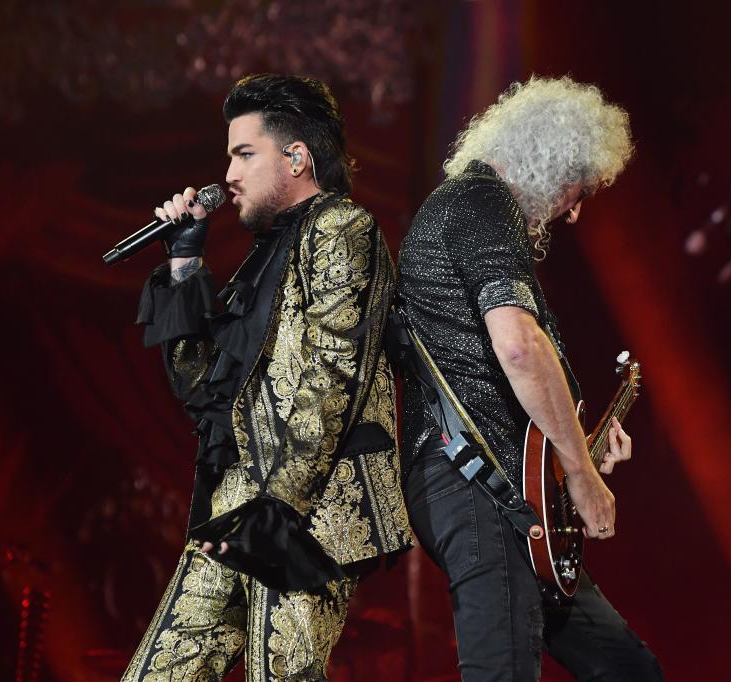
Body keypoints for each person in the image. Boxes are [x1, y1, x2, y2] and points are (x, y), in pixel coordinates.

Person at [122, 74, 410, 681]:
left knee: (281, 672)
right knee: (163, 670)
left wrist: (280, 503)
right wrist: (183, 259)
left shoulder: (341, 229)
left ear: (297, 156)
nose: (227, 174)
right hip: (240, 500)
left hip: (307, 506)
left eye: (243, 153)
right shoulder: (263, 260)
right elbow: (199, 385)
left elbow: (334, 375)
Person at [397, 75, 663, 681]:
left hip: (509, 496)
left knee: (630, 671)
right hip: (476, 488)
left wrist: (578, 447)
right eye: (580, 189)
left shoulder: (468, 210)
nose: (573, 210)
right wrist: (580, 471)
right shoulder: (482, 203)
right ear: (551, 161)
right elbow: (518, 345)